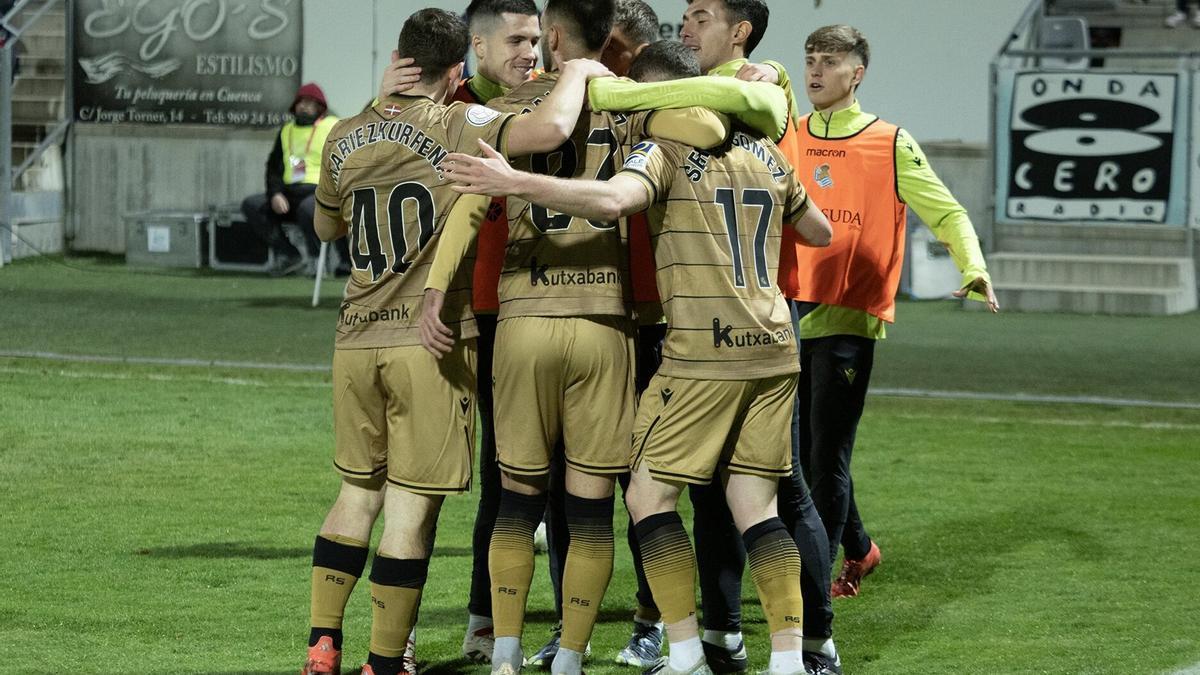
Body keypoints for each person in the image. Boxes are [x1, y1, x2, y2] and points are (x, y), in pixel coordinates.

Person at [440, 39, 833, 675]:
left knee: (646, 498)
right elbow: (821, 233)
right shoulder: (768, 153)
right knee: (757, 507)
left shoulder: (663, 146)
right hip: (774, 348)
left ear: (653, 94)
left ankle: (681, 652)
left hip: (701, 354)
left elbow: (612, 202)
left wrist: (513, 181)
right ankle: (788, 657)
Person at [300, 7, 610, 675]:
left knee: (358, 494)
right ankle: (386, 663)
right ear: (458, 66)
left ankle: (322, 644)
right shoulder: (461, 123)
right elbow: (552, 126)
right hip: (430, 341)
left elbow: (326, 231)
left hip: (353, 340)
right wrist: (580, 68)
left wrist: (377, 106)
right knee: (410, 510)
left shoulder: (344, 132)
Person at [782, 24, 998, 602]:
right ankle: (860, 547)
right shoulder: (791, 137)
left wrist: (972, 266)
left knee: (825, 455)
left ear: (858, 74)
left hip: (850, 318)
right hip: (785, 311)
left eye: (830, 61)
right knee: (798, 455)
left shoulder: (891, 142)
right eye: (810, 60)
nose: (816, 71)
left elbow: (947, 213)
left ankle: (814, 588)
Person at [674, 2, 842, 672]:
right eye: (684, 14)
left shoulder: (762, 83)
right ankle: (721, 632)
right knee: (709, 482)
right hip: (714, 315)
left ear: (740, 29)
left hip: (764, 311)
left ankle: (816, 639)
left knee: (783, 483)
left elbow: (746, 95)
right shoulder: (716, 91)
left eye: (702, 14)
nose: (686, 25)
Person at [449, 0, 543, 664]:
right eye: (515, 40)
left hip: (554, 310)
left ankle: (577, 628)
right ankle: (482, 623)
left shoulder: (558, 101)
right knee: (498, 475)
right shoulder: (456, 111)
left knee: (569, 477)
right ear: (477, 48)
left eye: (536, 40)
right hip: (483, 314)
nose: (529, 52)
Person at [240, 82, 345, 276]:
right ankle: (288, 255)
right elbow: (273, 167)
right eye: (301, 102)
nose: (304, 106)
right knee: (252, 205)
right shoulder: (286, 130)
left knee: (308, 209)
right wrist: (275, 194)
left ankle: (315, 261)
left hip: (319, 192)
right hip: (288, 194)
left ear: (319, 107)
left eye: (310, 103)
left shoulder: (334, 127)